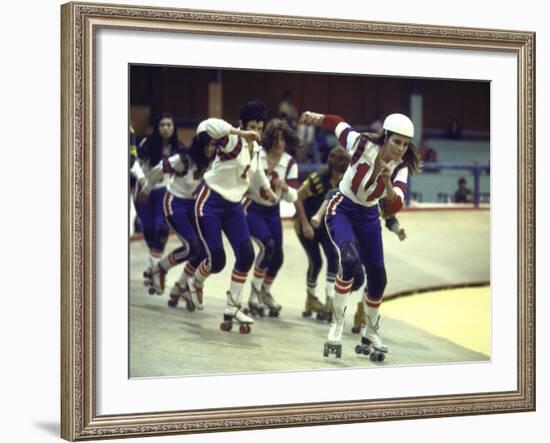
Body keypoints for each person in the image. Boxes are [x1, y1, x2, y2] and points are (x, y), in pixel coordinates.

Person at [300, 110, 421, 360]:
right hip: (342, 208)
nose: (400, 148)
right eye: (397, 141)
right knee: (350, 260)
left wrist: (387, 182)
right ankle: (336, 325)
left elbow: (394, 206)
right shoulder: (362, 144)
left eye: (405, 144)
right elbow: (338, 123)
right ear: (386, 137)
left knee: (378, 277)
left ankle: (371, 330)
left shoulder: (401, 168)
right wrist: (316, 118)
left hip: (368, 216)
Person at [189, 102, 277, 334]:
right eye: (252, 126)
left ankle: (232, 306)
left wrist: (267, 189)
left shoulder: (256, 148)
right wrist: (239, 132)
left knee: (246, 254)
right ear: (242, 124)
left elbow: (257, 172)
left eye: (260, 127)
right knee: (217, 261)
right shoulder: (231, 139)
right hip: (209, 203)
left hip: (234, 206)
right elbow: (206, 126)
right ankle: (195, 281)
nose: (256, 132)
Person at [144, 126, 217, 306]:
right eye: (207, 145)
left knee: (204, 250)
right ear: (199, 145)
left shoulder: (215, 161)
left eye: (213, 145)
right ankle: (160, 268)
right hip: (174, 203)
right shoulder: (184, 159)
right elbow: (158, 169)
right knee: (192, 247)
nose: (210, 149)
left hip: (194, 206)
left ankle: (180, 286)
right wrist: (146, 189)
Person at [243, 119, 300, 317]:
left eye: (283, 139)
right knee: (267, 245)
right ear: (269, 139)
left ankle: (265, 292)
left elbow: (293, 196)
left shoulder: (290, 163)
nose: (279, 143)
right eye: (275, 139)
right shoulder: (258, 155)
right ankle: (254, 294)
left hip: (273, 211)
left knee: (277, 257)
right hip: (252, 207)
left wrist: (286, 188)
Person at [294, 146, 353, 321]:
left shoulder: (345, 181)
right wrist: (305, 224)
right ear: (330, 168)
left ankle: (329, 299)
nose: (339, 177)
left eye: (342, 173)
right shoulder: (317, 179)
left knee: (333, 257)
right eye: (336, 172)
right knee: (316, 261)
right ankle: (311, 298)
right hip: (306, 223)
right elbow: (297, 197)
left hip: (325, 225)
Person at [131, 113, 180, 291]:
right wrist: (142, 178)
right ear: (156, 128)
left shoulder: (177, 148)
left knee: (161, 229)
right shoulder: (145, 144)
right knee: (150, 230)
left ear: (174, 128)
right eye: (162, 125)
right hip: (144, 192)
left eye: (169, 124)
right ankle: (155, 271)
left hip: (164, 193)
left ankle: (155, 273)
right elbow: (133, 162)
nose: (166, 128)